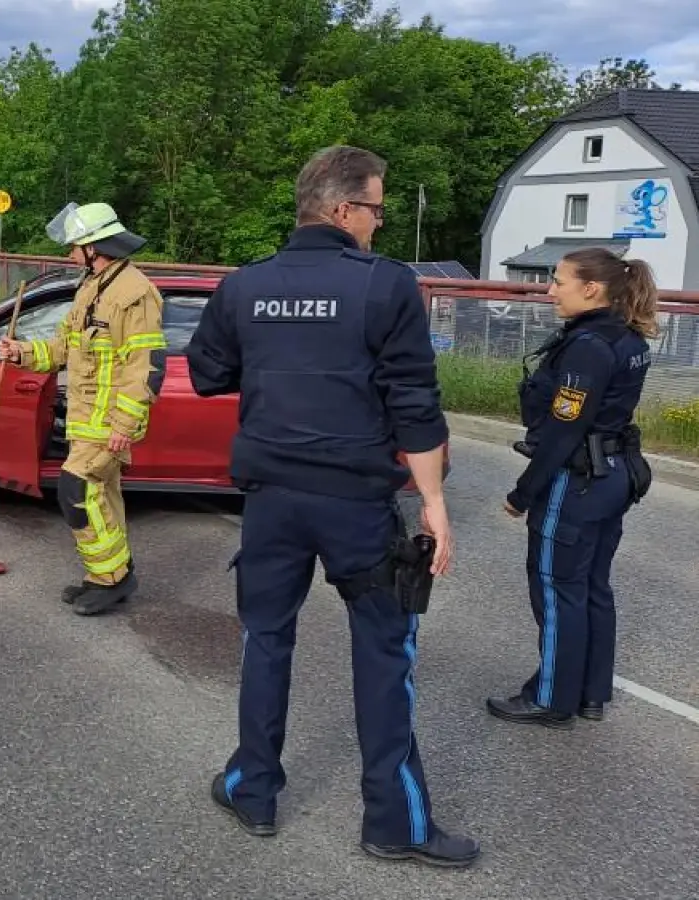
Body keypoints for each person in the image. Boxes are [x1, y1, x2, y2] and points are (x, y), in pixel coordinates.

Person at [184, 145, 478, 867]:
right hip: (354, 503)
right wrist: (434, 505)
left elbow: (205, 373)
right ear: (343, 209)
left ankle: (252, 788)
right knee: (383, 654)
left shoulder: (243, 286)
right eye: (376, 209)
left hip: (271, 504)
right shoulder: (385, 288)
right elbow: (415, 403)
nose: (379, 223)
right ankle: (394, 824)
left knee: (264, 641)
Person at [486, 249, 657, 727]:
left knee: (558, 589)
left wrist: (523, 493)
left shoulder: (587, 346)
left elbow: (564, 430)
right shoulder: (626, 336)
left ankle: (550, 698)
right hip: (614, 475)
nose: (549, 290)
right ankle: (589, 694)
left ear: (591, 289)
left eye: (558, 281)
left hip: (578, 481)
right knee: (591, 585)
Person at [0, 202, 166, 616]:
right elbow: (63, 348)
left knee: (76, 489)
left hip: (108, 422)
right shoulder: (92, 286)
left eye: (76, 246)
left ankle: (111, 579)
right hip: (85, 421)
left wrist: (125, 424)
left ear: (97, 247)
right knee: (102, 497)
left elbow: (144, 366)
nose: (71, 254)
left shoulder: (134, 293)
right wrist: (21, 353)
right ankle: (108, 574)